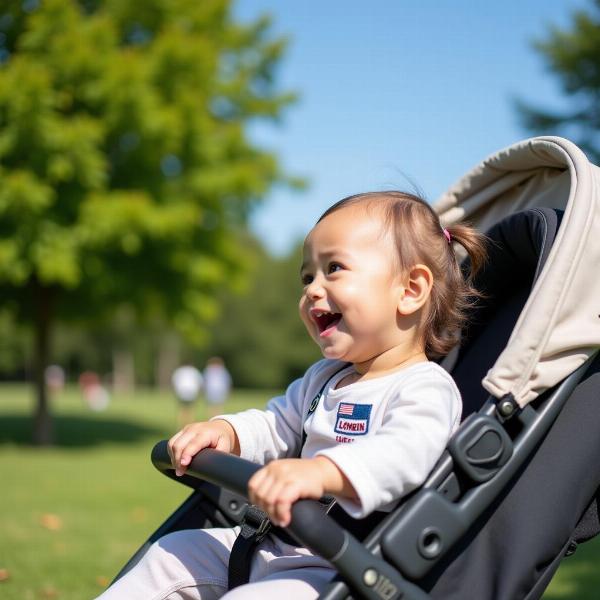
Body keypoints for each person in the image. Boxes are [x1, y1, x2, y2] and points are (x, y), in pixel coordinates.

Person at [97, 191, 487, 600]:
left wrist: (322, 472)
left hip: (339, 569)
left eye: (334, 268)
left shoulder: (424, 387)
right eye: (307, 277)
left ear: (410, 289)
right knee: (172, 553)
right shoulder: (324, 378)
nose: (312, 291)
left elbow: (404, 454)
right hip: (271, 542)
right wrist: (227, 433)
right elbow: (276, 423)